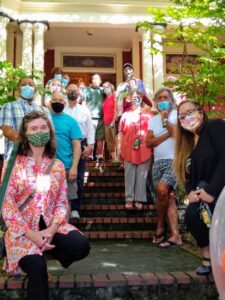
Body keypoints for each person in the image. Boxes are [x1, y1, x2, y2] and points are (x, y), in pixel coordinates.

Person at [1, 111, 90, 300]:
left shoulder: (56, 165)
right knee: (37, 267)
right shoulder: (13, 165)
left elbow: (61, 202)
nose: (39, 131)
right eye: (33, 128)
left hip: (50, 225)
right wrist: (32, 235)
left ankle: (43, 249)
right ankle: (31, 255)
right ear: (25, 134)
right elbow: (7, 206)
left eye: (43, 127)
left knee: (80, 245)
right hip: (23, 231)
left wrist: (52, 229)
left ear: (50, 132)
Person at [174, 99, 225, 275]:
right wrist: (190, 193)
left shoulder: (215, 126)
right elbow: (188, 175)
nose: (186, 118)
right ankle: (209, 256)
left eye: (190, 112)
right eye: (182, 116)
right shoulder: (187, 143)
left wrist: (211, 191)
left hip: (220, 191)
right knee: (191, 216)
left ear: (201, 113)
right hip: (201, 194)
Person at [146, 87, 182, 247]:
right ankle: (175, 235)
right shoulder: (153, 119)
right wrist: (166, 133)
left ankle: (160, 224)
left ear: (171, 100)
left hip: (174, 161)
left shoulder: (177, 115)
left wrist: (166, 121)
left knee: (162, 189)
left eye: (165, 97)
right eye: (159, 98)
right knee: (166, 198)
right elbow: (148, 143)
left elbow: (177, 136)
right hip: (158, 162)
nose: (162, 100)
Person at [0, 77, 51, 161]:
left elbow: (50, 134)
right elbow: (7, 131)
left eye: (30, 85)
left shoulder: (44, 110)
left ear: (35, 90)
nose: (27, 86)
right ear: (17, 90)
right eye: (23, 85)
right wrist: (30, 145)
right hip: (15, 160)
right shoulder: (8, 106)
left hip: (40, 160)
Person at [50, 92, 82, 219]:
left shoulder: (71, 122)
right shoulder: (44, 119)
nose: (58, 102)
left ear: (65, 103)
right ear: (50, 102)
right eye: (55, 99)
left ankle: (65, 230)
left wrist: (74, 167)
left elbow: (77, 146)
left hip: (66, 167)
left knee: (66, 201)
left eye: (60, 100)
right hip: (47, 168)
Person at [64, 84, 95, 218]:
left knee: (79, 178)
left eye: (75, 91)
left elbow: (90, 129)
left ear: (79, 94)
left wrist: (90, 146)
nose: (72, 93)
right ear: (66, 92)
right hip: (64, 146)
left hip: (81, 146)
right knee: (63, 177)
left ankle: (75, 208)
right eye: (70, 91)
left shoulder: (84, 110)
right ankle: (64, 208)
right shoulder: (61, 110)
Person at [118, 92, 153, 210]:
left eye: (138, 98)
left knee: (141, 176)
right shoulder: (125, 115)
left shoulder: (148, 114)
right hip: (128, 149)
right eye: (133, 98)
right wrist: (119, 148)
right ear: (129, 100)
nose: (135, 99)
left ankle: (139, 199)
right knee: (129, 175)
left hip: (145, 148)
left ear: (141, 99)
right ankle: (129, 198)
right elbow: (121, 133)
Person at [84, 73, 104, 161]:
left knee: (100, 138)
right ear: (91, 81)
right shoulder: (87, 90)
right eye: (94, 79)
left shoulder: (103, 91)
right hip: (90, 117)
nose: (95, 80)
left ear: (100, 81)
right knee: (90, 137)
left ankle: (99, 155)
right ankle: (90, 155)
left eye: (97, 79)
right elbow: (84, 103)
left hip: (101, 117)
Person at [102, 81, 119, 161]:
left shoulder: (114, 95)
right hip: (106, 123)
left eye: (107, 86)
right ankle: (114, 158)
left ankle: (119, 158)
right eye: (104, 87)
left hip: (113, 122)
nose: (106, 88)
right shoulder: (105, 99)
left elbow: (116, 109)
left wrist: (113, 121)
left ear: (111, 87)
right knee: (109, 141)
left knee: (116, 140)